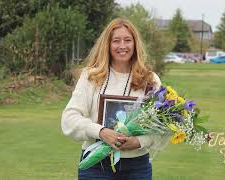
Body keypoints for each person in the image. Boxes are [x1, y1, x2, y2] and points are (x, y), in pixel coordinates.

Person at [61, 17, 162, 180]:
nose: (122, 46)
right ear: (107, 45)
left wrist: (139, 141)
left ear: (135, 44)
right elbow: (69, 119)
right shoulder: (91, 77)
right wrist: (100, 132)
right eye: (116, 41)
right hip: (95, 165)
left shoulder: (150, 80)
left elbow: (161, 127)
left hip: (137, 167)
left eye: (128, 40)